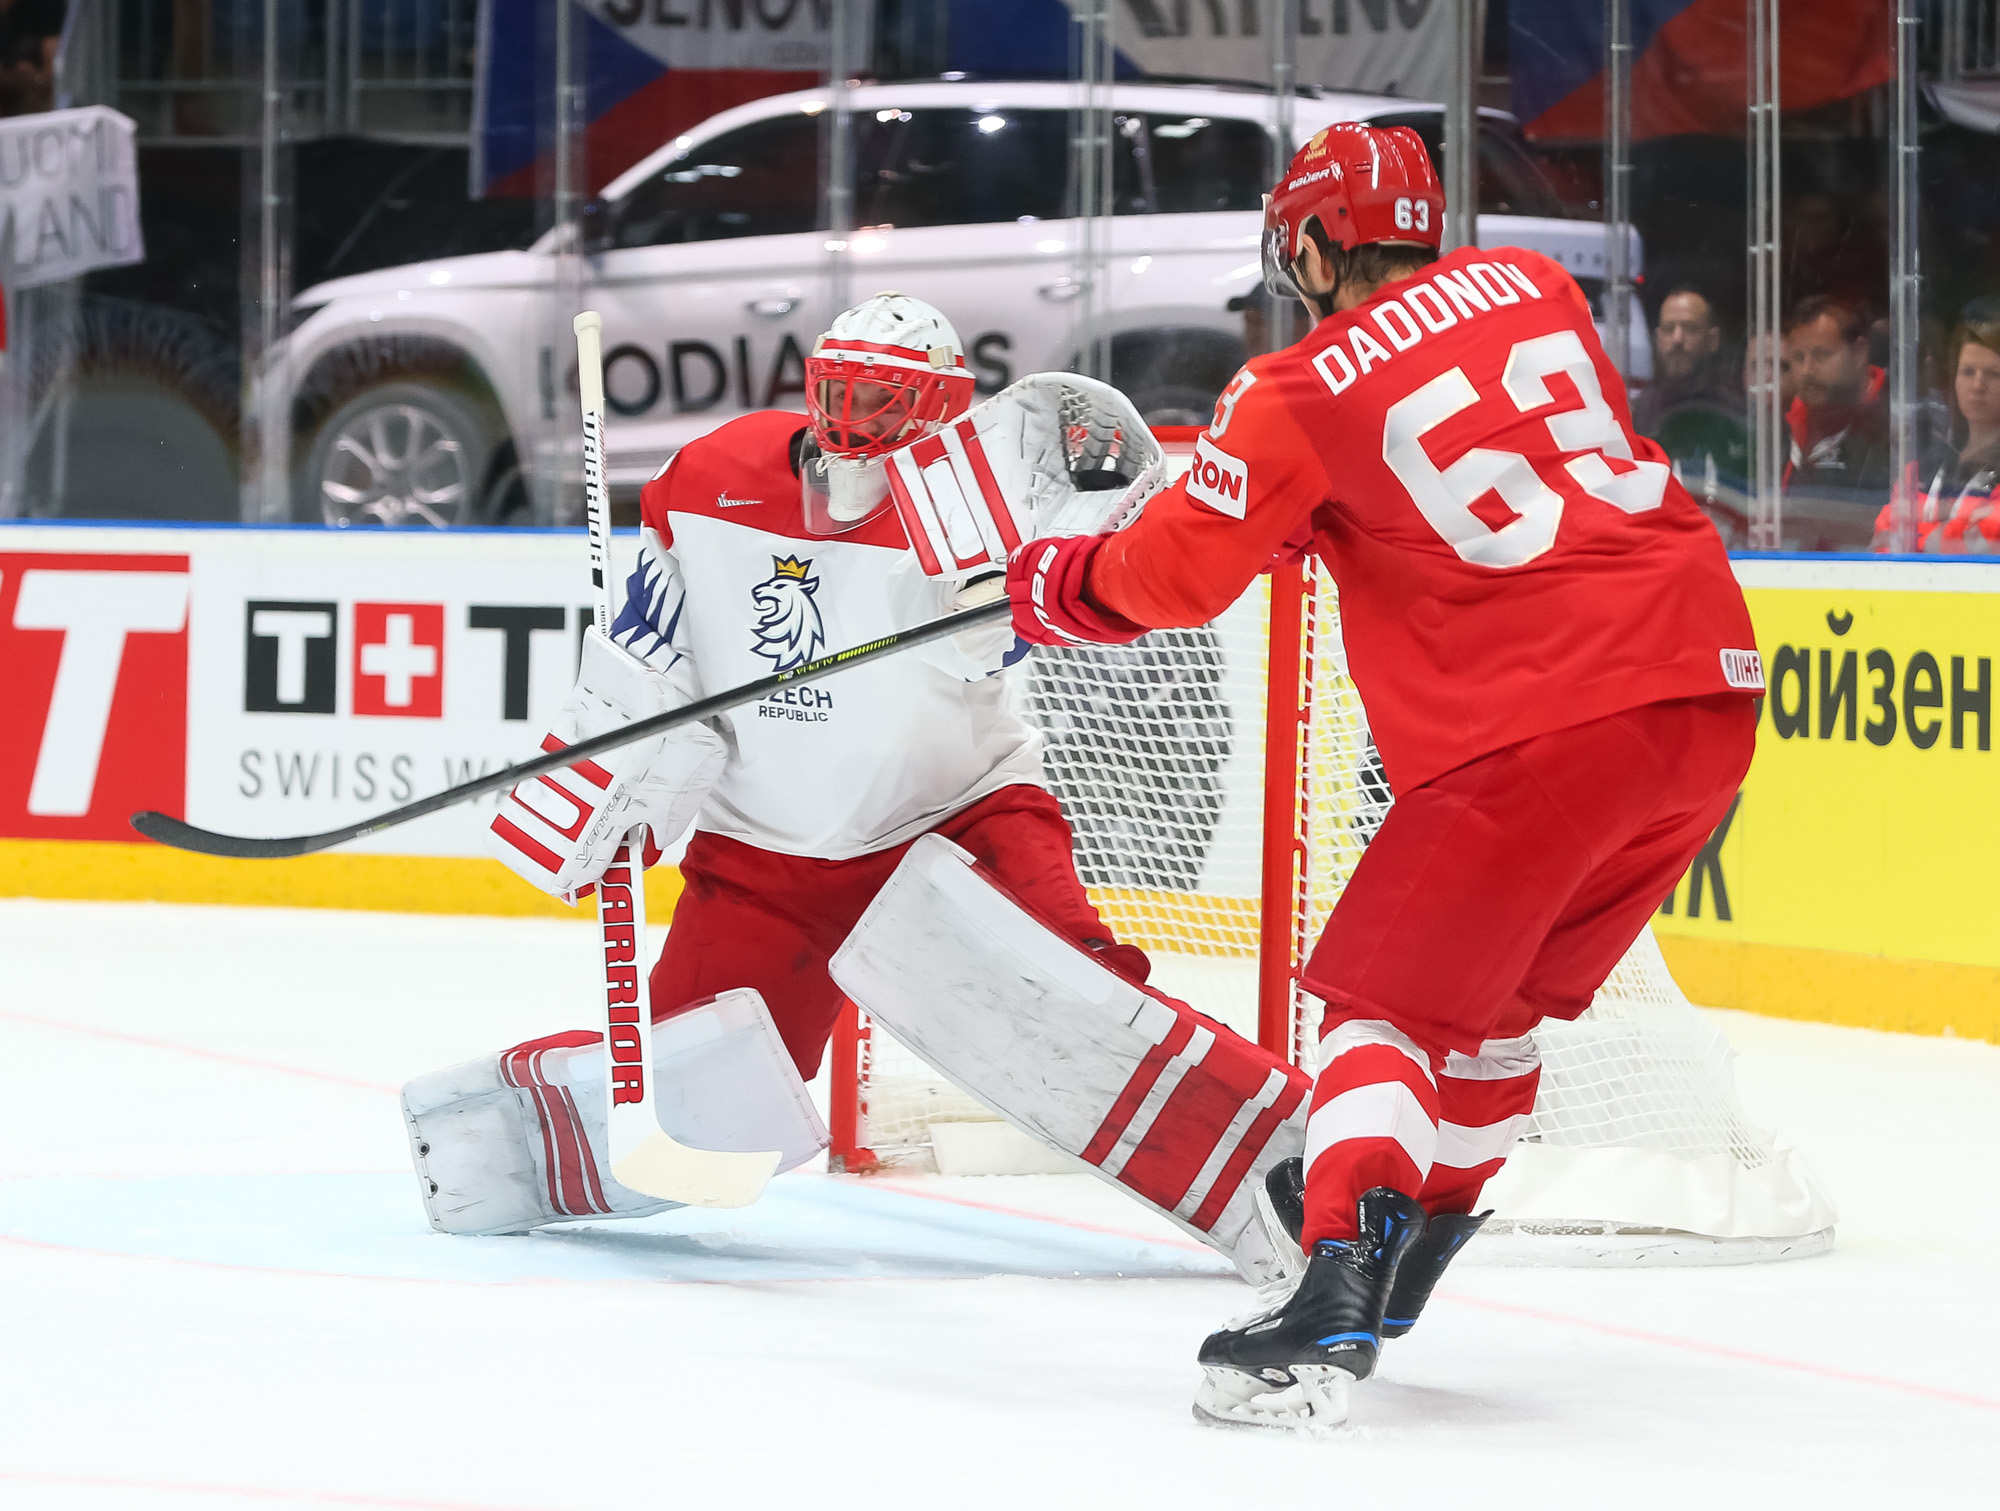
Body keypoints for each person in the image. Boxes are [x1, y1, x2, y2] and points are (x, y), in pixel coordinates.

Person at [1003, 123, 1763, 1432]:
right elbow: (1485, 456)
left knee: (1380, 1003)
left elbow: (1177, 574)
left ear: (1307, 241)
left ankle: (1336, 1279)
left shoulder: (1289, 390)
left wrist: (1060, 583)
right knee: (1496, 1009)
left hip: (1544, 718)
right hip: (1709, 687)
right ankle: (1424, 1242)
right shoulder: (1539, 290)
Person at [402, 293, 1304, 1280]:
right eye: (842, 389)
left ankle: (1319, 1179)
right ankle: (489, 1135)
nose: (854, 418)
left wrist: (1059, 566)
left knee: (1076, 1006)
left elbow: (1081, 597)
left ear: (945, 408)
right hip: (764, 858)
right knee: (704, 1113)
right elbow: (649, 647)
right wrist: (610, 752)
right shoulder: (709, 476)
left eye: (884, 397)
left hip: (956, 818)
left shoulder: (996, 501)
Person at [1871, 306, 2000, 552]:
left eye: (1993, 374)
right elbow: (1885, 538)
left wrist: (1931, 521)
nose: (1977, 385)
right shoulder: (1925, 467)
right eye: (1968, 372)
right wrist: (1961, 520)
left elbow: (1985, 546)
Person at [1630, 286, 1749, 541]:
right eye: (1669, 329)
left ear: (1713, 339)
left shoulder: (1740, 418)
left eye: (1690, 329)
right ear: (1657, 337)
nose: (1677, 339)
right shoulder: (1637, 417)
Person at [1781, 295, 1893, 547]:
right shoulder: (1781, 426)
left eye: (1821, 355)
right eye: (1798, 358)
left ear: (1860, 352)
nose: (1807, 370)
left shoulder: (1899, 427)